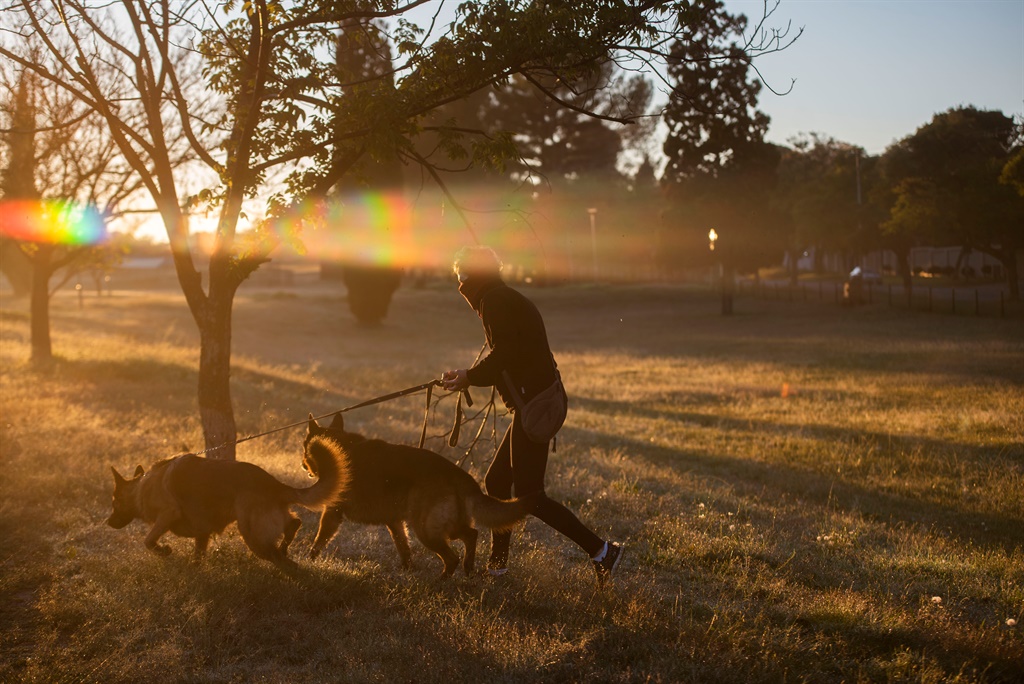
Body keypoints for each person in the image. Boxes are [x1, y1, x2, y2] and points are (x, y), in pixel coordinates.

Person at [440, 246, 622, 583]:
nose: (460, 284)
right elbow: (509, 352)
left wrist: (469, 376)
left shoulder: (495, 301)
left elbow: (505, 354)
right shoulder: (500, 297)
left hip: (534, 407)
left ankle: (602, 551)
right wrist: (467, 374)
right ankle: (498, 565)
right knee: (496, 482)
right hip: (531, 404)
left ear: (473, 275)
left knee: (529, 496)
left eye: (462, 276)